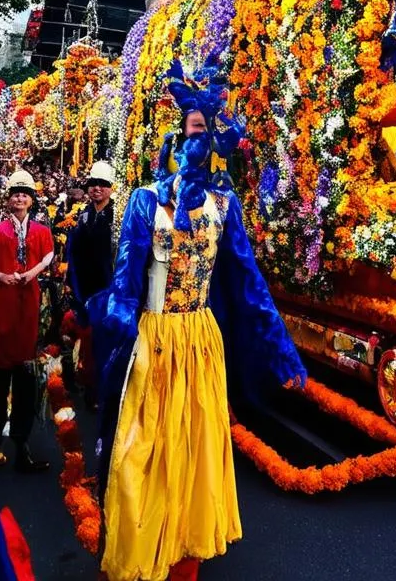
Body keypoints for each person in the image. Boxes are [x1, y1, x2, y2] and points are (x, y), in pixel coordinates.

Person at [92, 65, 306, 581]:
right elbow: (125, 280)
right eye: (193, 128)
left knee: (194, 455)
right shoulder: (146, 200)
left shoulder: (226, 205)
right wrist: (117, 328)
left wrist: (281, 347)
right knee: (137, 455)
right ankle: (140, 550)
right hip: (156, 339)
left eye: (209, 131)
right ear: (176, 134)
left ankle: (184, 553)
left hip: (200, 341)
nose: (201, 138)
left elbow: (249, 281)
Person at [0, 170, 54, 473]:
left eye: (24, 194)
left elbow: (48, 256)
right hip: (3, 305)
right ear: (8, 200)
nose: (19, 198)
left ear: (31, 200)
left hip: (29, 305)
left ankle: (22, 441)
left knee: (26, 375)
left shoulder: (41, 231)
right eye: (15, 194)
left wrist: (31, 274)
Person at [64, 161, 115, 405]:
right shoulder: (82, 216)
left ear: (111, 189)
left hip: (109, 289)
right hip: (85, 288)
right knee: (87, 341)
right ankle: (90, 387)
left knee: (106, 341)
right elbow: (72, 252)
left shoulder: (118, 216)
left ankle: (105, 389)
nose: (97, 189)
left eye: (102, 185)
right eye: (93, 184)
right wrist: (71, 283)